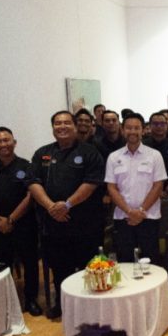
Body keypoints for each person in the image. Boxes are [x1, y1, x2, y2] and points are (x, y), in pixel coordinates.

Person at [26, 111, 105, 319]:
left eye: (67, 123)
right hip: (53, 224)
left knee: (89, 268)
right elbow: (33, 183)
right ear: (53, 127)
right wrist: (51, 207)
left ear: (75, 126)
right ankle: (63, 304)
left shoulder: (90, 152)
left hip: (85, 225)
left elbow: (91, 183)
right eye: (58, 123)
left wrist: (67, 204)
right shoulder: (42, 153)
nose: (62, 127)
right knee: (60, 268)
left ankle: (91, 307)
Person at [0, 127, 42, 316]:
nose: (3, 144)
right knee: (2, 264)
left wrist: (11, 219)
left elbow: (31, 196)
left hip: (24, 225)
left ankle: (31, 300)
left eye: (6, 140)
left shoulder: (27, 166)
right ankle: (6, 301)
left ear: (14, 142)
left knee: (30, 263)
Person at [104, 112, 167, 270]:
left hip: (149, 217)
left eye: (136, 128)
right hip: (123, 217)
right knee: (124, 261)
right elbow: (111, 187)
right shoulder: (113, 157)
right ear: (122, 130)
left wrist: (141, 211)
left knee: (150, 262)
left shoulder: (155, 155)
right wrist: (129, 211)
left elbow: (158, 185)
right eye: (129, 128)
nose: (133, 131)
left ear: (143, 130)